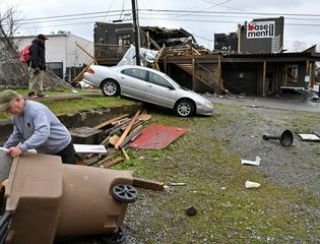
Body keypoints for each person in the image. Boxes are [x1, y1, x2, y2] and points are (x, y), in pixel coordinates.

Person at [0, 90, 75, 164]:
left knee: (66, 174)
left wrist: (21, 148)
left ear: (18, 100)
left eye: (9, 108)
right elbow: (17, 134)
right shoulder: (16, 116)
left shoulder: (36, 110)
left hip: (62, 146)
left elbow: (42, 133)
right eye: (6, 110)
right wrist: (5, 150)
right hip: (45, 150)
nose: (8, 112)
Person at [28, 34, 48, 98]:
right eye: (43, 40)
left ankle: (40, 93)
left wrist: (44, 67)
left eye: (44, 40)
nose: (44, 41)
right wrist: (35, 66)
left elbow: (42, 57)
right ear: (39, 39)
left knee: (40, 80)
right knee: (33, 79)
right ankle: (31, 94)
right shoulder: (34, 45)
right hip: (35, 66)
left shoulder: (42, 46)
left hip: (41, 66)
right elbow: (33, 56)